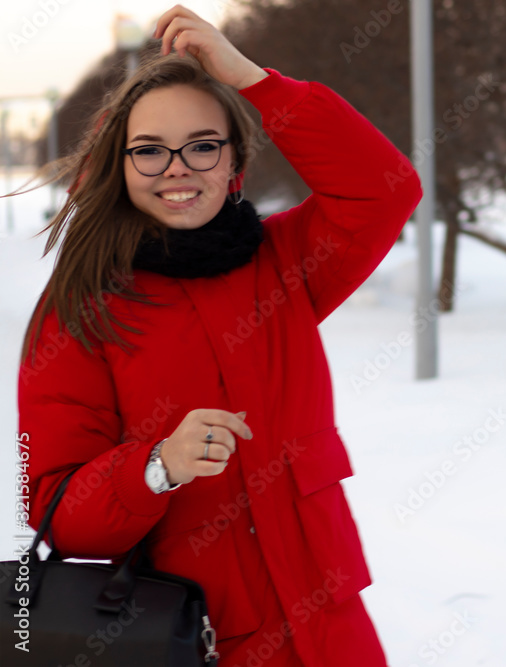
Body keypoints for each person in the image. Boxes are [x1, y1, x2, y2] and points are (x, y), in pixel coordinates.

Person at [15, 5, 421, 666]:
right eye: (149, 150)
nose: (178, 167)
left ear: (234, 160)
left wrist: (256, 82)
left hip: (329, 627)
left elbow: (385, 190)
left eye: (203, 144)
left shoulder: (285, 263)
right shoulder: (80, 310)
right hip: (185, 637)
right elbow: (52, 505)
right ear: (119, 165)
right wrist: (155, 465)